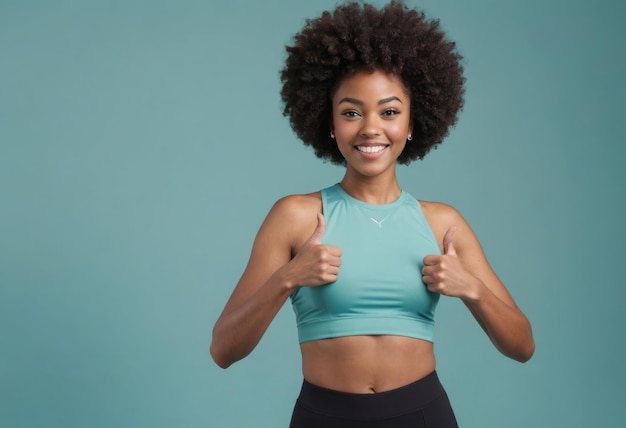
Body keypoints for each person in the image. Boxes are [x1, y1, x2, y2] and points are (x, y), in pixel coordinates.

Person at [210, 1, 535, 426]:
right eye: (351, 112)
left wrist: (470, 286)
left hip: (422, 415)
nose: (370, 128)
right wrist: (288, 277)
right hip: (323, 416)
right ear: (330, 123)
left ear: (412, 123)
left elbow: (522, 345)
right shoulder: (296, 216)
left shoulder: (441, 223)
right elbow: (223, 350)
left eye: (389, 111)